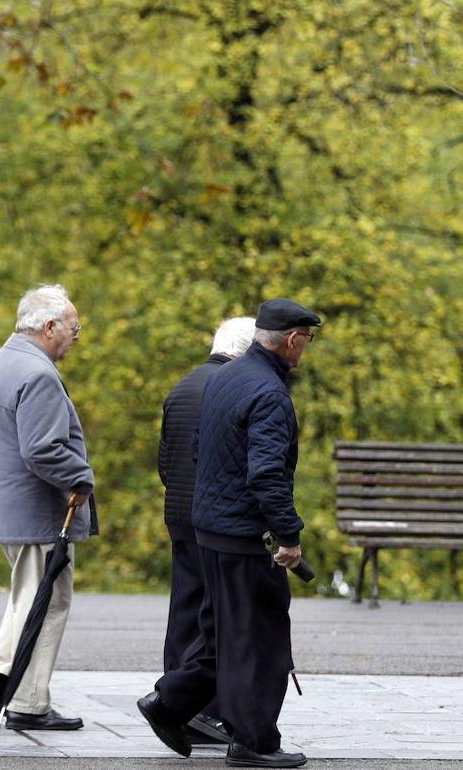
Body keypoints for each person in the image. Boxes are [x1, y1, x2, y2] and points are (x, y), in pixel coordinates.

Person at [138, 298, 320, 769]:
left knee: (222, 635)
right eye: (308, 340)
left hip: (209, 531)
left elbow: (200, 451)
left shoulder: (224, 379)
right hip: (243, 536)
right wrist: (289, 535)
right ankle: (254, 742)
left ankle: (169, 704)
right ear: (294, 339)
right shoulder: (270, 394)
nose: (306, 350)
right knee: (261, 639)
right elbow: (267, 475)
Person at [0, 284, 96, 731]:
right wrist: (81, 477)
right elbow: (42, 449)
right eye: (73, 329)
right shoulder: (36, 373)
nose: (76, 338)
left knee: (30, 597)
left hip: (12, 508)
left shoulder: (1, 362)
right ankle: (24, 698)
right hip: (39, 511)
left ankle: (1, 676)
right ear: (49, 326)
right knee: (48, 602)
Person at [156, 316, 257, 746]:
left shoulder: (182, 386)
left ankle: (174, 704)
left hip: (178, 512)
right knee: (217, 618)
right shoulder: (231, 389)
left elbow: (165, 458)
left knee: (184, 611)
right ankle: (199, 710)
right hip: (213, 520)